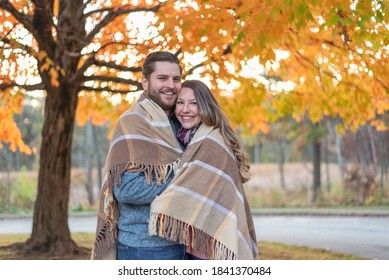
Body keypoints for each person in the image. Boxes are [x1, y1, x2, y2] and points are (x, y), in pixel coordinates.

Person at [91, 51, 186, 260]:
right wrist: (187, 179)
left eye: (176, 79)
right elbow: (125, 189)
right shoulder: (132, 123)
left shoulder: (183, 123)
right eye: (162, 78)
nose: (171, 85)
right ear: (145, 82)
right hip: (145, 247)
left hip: (183, 242)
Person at [149, 80, 259, 260]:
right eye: (180, 102)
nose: (185, 110)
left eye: (194, 104)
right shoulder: (190, 139)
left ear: (206, 106)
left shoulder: (210, 142)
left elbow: (193, 188)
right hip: (199, 239)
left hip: (211, 244)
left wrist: (160, 202)